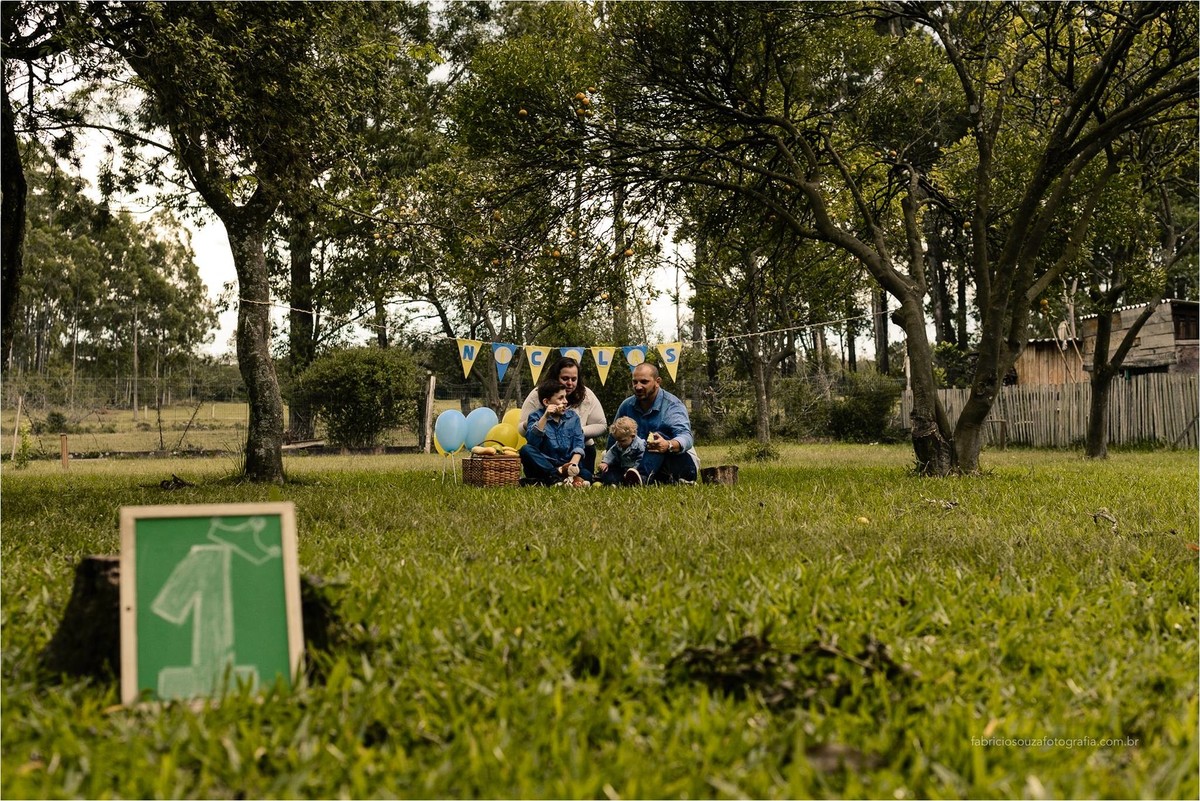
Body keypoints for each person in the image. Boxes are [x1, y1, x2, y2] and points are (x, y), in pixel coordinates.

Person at [613, 363, 699, 485]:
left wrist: (668, 444)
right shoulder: (626, 406)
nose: (638, 387)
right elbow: (614, 438)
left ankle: (642, 478)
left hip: (678, 463)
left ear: (657, 382)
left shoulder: (672, 405)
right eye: (635, 382)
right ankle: (642, 478)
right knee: (611, 478)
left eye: (644, 382)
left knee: (657, 436)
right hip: (637, 462)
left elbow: (686, 437)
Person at [518, 357, 606, 472]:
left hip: (575, 451)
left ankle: (561, 475)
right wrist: (539, 423)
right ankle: (556, 474)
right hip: (546, 450)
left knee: (586, 474)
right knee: (527, 450)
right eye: (565, 378)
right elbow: (522, 429)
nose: (570, 383)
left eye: (574, 379)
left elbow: (602, 425)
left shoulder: (586, 395)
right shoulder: (538, 394)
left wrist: (575, 432)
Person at [519, 381, 592, 487]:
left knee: (587, 474)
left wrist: (571, 466)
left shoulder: (573, 417)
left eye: (565, 397)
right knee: (525, 449)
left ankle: (550, 480)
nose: (566, 401)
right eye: (560, 398)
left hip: (566, 464)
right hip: (544, 465)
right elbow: (533, 443)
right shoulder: (535, 417)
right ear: (547, 402)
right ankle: (557, 477)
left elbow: (578, 444)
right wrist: (545, 416)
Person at [595, 416, 646, 487]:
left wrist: (633, 470)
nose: (619, 443)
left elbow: (641, 459)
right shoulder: (618, 444)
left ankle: (630, 482)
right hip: (621, 468)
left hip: (635, 471)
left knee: (637, 478)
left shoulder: (639, 445)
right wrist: (605, 462)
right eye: (617, 440)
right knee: (609, 475)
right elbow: (612, 452)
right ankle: (611, 482)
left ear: (633, 436)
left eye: (622, 441)